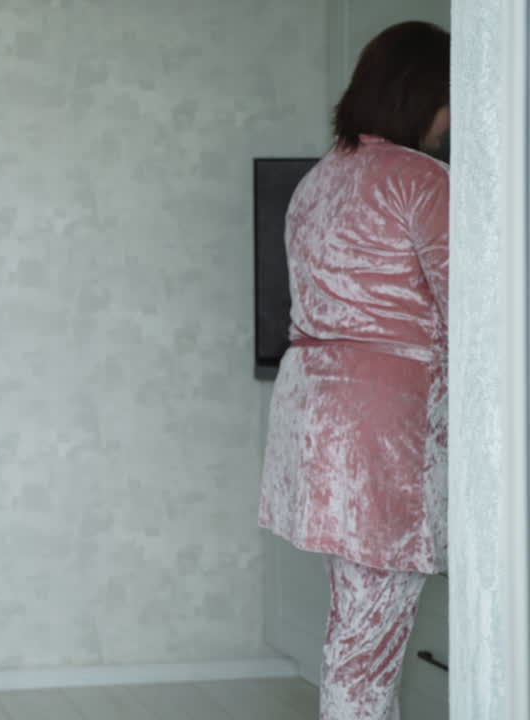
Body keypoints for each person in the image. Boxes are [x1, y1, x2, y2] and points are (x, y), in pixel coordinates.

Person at [259, 21, 450, 720]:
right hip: (383, 432)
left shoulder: (320, 178)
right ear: (420, 93)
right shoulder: (422, 181)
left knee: (356, 629)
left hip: (315, 423)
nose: (449, 118)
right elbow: (477, 320)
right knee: (367, 645)